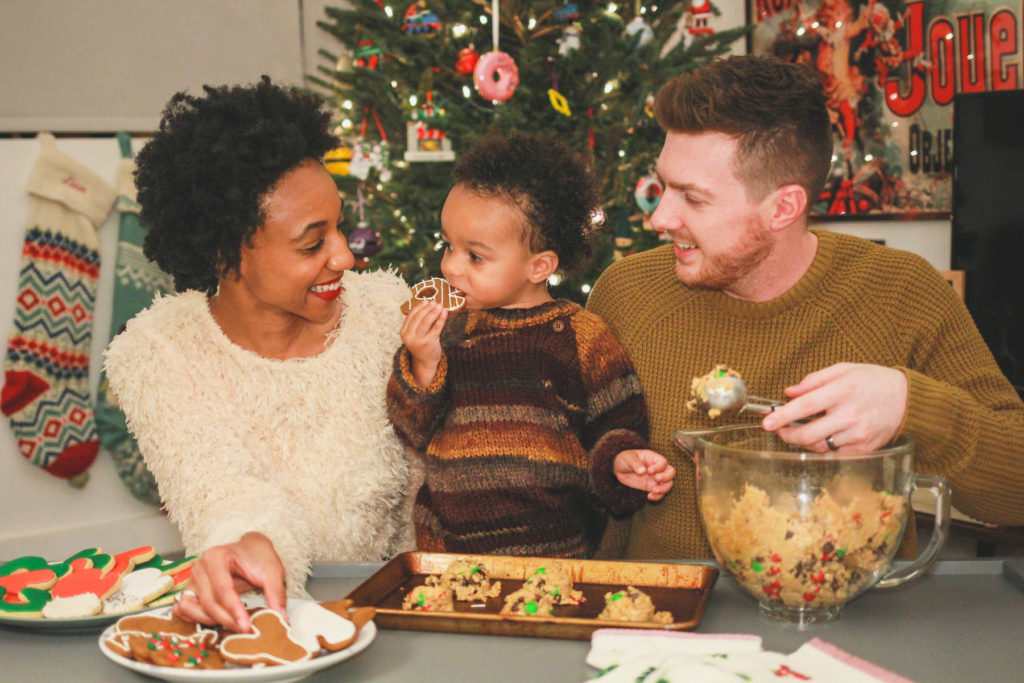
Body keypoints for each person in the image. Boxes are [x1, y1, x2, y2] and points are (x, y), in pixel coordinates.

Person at [587, 54, 1024, 560]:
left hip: (846, 622)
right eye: (664, 185)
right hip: (662, 622)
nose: (660, 217)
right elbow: (571, 464)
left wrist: (912, 405)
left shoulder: (901, 292)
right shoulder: (626, 293)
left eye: (693, 198)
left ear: (783, 208)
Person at [103, 77, 413, 631]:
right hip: (271, 626)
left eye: (339, 227)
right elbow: (221, 489)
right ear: (226, 251)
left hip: (409, 619)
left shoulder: (391, 315)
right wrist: (248, 547)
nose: (344, 257)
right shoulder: (155, 353)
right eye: (312, 243)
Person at [386, 132, 676, 558]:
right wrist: (423, 364)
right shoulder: (446, 331)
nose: (450, 266)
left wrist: (620, 460)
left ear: (539, 266)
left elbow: (617, 423)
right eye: (449, 246)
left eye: (475, 256)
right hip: (447, 554)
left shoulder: (582, 336)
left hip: (555, 553)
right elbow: (410, 430)